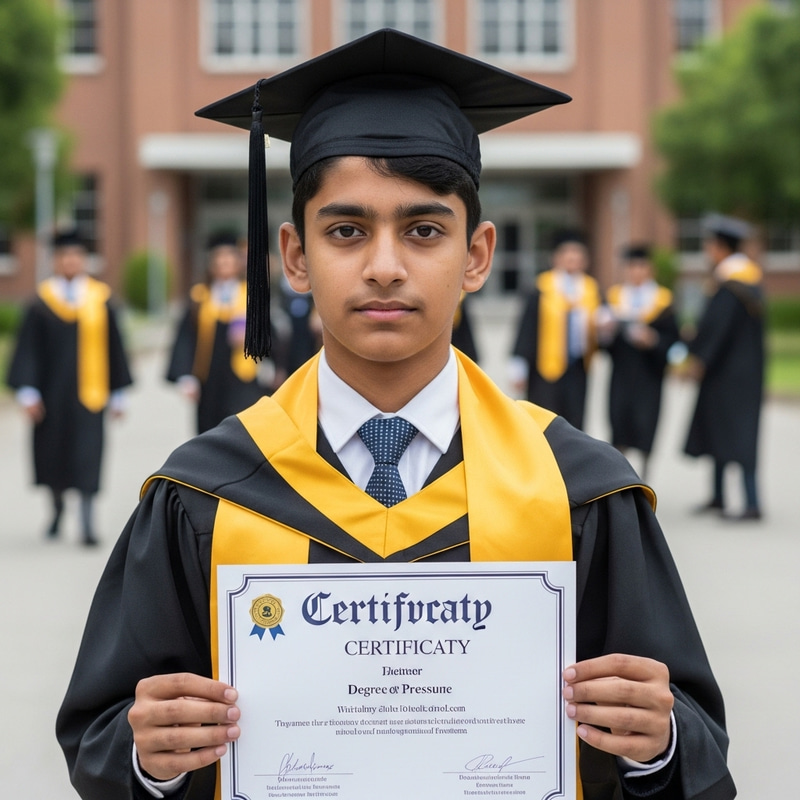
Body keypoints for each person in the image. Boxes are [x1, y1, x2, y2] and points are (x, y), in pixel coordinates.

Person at [56, 30, 735, 800]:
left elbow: (700, 754)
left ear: (477, 254)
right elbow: (101, 743)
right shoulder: (204, 493)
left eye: (424, 230)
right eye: (347, 231)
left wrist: (661, 742)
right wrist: (148, 758)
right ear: (294, 256)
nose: (384, 265)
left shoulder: (579, 490)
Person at [6, 229, 133, 545]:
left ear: (85, 261)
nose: (71, 261)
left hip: (90, 397)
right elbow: (28, 350)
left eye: (76, 255)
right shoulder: (41, 303)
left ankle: (88, 522)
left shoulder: (101, 300)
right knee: (52, 458)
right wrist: (27, 392)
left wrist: (118, 394)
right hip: (51, 398)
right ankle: (58, 508)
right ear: (54, 261)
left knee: (88, 457)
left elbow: (114, 349)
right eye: (65, 256)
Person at [683, 213, 765, 520]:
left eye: (709, 245)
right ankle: (719, 496)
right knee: (722, 432)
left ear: (720, 248)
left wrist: (698, 359)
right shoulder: (747, 281)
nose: (707, 251)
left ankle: (752, 504)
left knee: (737, 435)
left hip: (727, 375)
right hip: (742, 374)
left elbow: (717, 330)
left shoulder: (732, 285)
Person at [166, 232, 274, 433]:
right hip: (209, 383)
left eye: (229, 257)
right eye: (219, 257)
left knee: (244, 432)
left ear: (238, 262)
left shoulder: (252, 295)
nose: (224, 262)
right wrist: (186, 377)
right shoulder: (199, 297)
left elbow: (272, 335)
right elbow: (186, 339)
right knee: (210, 434)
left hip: (244, 381)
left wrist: (254, 341)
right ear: (211, 264)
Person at [596, 244, 680, 480]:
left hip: (649, 377)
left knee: (646, 426)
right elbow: (604, 347)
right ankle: (619, 479)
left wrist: (653, 341)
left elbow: (674, 342)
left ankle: (643, 478)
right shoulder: (615, 298)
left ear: (650, 269)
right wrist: (605, 333)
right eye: (632, 266)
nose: (636, 271)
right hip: (621, 375)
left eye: (641, 266)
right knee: (618, 424)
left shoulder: (663, 301)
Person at [509, 231, 601, 429]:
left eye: (577, 253)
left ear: (585, 260)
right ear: (556, 258)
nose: (572, 257)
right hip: (544, 369)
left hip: (578, 369)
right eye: (567, 252)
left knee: (575, 423)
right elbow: (526, 327)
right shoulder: (541, 287)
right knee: (544, 420)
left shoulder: (591, 289)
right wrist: (518, 368)